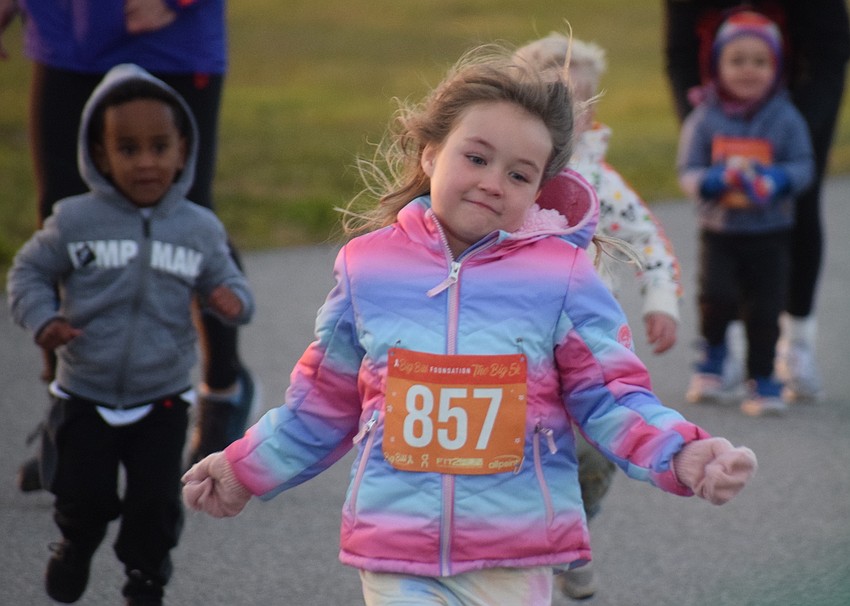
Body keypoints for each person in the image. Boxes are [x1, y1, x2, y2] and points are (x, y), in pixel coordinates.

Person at [181, 44, 757, 606]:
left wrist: (684, 454)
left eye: (519, 175)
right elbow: (321, 406)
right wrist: (241, 470)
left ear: (539, 189)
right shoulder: (368, 268)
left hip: (514, 553)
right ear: (431, 153)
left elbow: (611, 398)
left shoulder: (562, 278)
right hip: (395, 546)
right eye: (476, 158)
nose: (491, 183)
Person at [6, 64, 255, 605]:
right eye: (128, 148)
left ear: (183, 150)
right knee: (84, 495)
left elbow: (227, 280)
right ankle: (74, 542)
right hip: (85, 393)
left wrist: (231, 300)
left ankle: (146, 577)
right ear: (100, 155)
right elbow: (27, 272)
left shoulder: (199, 228)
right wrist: (43, 318)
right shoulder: (74, 221)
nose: (146, 162)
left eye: (159, 146)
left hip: (161, 396)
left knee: (154, 504)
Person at [0, 0, 255, 490]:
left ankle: (221, 392)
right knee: (65, 215)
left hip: (169, 34)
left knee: (188, 217)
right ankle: (69, 407)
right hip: (68, 30)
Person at [514, 33, 685, 601]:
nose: (568, 114)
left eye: (579, 102)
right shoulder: (510, 176)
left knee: (591, 452)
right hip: (511, 346)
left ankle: (572, 533)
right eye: (552, 100)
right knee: (512, 452)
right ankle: (518, 548)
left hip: (587, 347)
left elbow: (649, 240)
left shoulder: (600, 186)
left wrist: (660, 301)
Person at [664, 0, 850, 401]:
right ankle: (718, 356)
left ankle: (776, 362)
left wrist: (779, 170)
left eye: (760, 62)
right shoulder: (705, 118)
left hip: (773, 222)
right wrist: (711, 171)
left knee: (767, 300)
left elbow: (828, 55)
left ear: (776, 67)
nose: (748, 69)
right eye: (737, 61)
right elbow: (688, 170)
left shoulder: (787, 118)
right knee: (716, 292)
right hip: (722, 229)